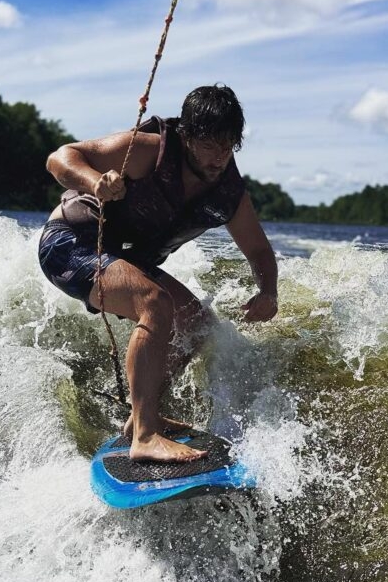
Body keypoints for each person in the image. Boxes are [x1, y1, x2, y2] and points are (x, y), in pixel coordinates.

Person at [40, 84, 278, 463]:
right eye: (209, 144)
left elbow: (259, 250)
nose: (219, 157)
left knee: (195, 321)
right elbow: (61, 158)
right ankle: (147, 437)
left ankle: (140, 418)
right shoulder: (147, 151)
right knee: (155, 303)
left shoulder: (229, 192)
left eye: (228, 145)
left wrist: (268, 291)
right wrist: (95, 182)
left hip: (125, 260)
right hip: (72, 244)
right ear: (186, 136)